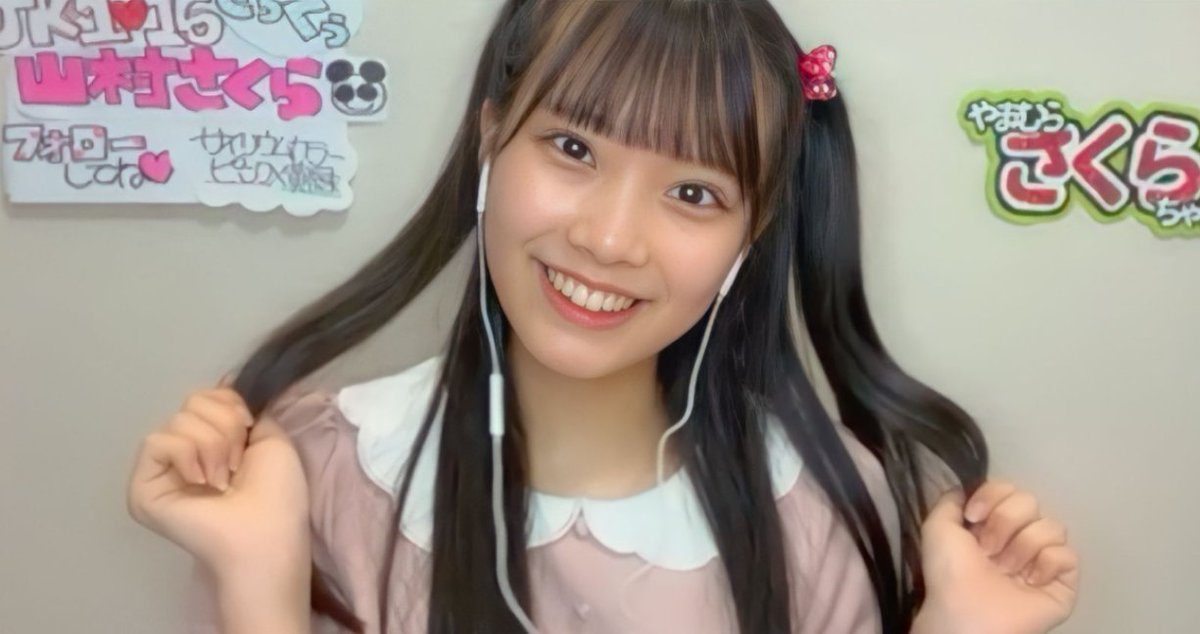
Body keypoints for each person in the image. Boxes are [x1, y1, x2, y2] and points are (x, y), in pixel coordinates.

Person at [126, 1, 1080, 632]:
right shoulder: (320, 473)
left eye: (694, 194)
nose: (611, 239)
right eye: (573, 148)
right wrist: (258, 581)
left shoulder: (825, 504)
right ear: (491, 139)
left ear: (752, 234)